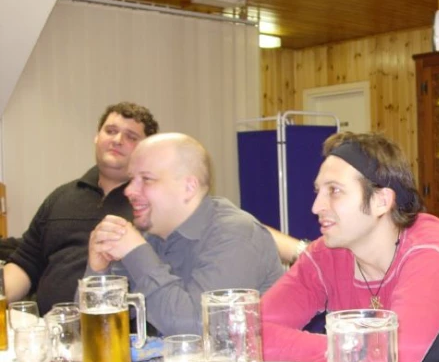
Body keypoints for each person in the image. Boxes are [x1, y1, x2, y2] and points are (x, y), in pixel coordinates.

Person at [261, 131, 439, 362]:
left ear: (381, 201)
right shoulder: (326, 253)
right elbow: (254, 333)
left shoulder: (431, 248)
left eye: (334, 191)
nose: (316, 206)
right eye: (319, 191)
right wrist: (355, 352)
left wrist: (351, 353)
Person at [86, 132, 284, 335]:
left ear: (189, 188)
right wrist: (97, 270)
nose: (129, 191)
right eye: (131, 179)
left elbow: (199, 330)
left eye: (146, 179)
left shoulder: (236, 234)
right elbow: (98, 331)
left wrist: (138, 254)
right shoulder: (153, 236)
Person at [3, 102, 158, 314]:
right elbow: (26, 263)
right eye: (110, 131)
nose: (117, 140)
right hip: (49, 332)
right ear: (97, 137)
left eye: (131, 136)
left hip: (119, 332)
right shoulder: (60, 198)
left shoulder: (153, 205)